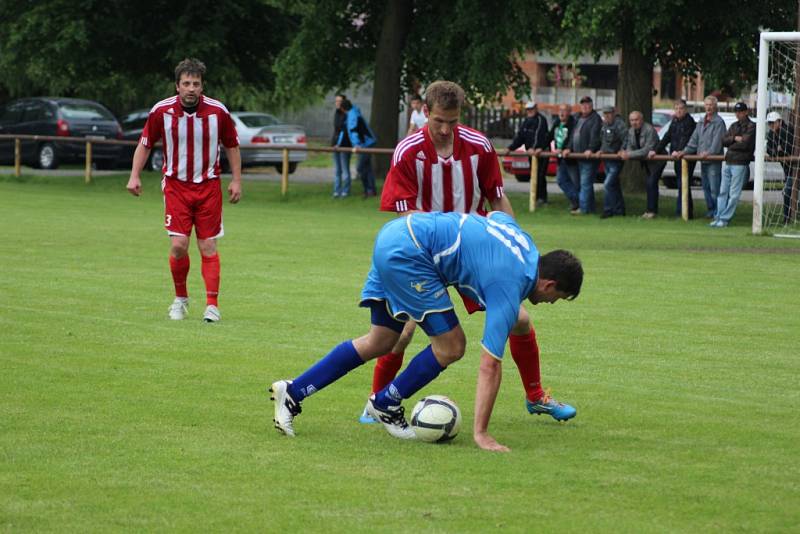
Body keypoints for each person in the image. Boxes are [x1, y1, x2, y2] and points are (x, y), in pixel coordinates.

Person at [270, 211, 583, 452]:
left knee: (380, 340)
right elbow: (490, 365)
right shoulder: (508, 284)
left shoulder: (525, 244)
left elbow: (496, 217)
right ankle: (386, 404)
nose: (552, 303)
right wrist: (481, 433)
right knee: (452, 346)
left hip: (396, 233)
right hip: (410, 255)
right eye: (558, 297)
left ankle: (293, 392)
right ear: (549, 284)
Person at [366, 80, 576, 426]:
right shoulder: (407, 152)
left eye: (453, 121)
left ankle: (536, 397)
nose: (446, 129)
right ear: (425, 114)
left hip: (472, 258)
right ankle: (376, 403)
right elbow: (405, 218)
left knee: (520, 320)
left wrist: (513, 244)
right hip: (425, 258)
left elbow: (497, 198)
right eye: (438, 122)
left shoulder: (479, 147)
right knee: (402, 331)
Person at [126, 58, 242, 323]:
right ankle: (181, 298)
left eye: (196, 84)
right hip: (176, 186)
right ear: (177, 86)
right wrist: (134, 175)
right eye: (186, 83)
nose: (191, 88)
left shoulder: (217, 112)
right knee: (179, 245)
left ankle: (212, 305)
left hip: (209, 187)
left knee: (208, 245)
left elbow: (232, 146)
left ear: (202, 87)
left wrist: (236, 180)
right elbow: (145, 144)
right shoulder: (161, 111)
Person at [712, 102, 755, 227]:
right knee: (722, 192)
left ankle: (724, 219)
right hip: (728, 161)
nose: (738, 114)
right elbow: (723, 140)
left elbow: (745, 144)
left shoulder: (752, 126)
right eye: (736, 111)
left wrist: (731, 142)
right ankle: (719, 217)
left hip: (740, 163)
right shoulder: (734, 125)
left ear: (746, 112)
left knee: (734, 194)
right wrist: (734, 138)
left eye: (740, 111)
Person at [653, 99, 697, 218]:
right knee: (682, 184)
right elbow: (667, 137)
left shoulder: (689, 122)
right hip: (677, 158)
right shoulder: (674, 122)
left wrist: (680, 151)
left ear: (685, 109)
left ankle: (681, 213)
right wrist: (655, 150)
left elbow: (687, 139)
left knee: (683, 184)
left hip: (686, 157)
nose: (678, 111)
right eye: (676, 108)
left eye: (681, 108)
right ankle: (687, 211)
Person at [684, 95, 726, 218]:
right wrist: (684, 151)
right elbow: (694, 140)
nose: (708, 107)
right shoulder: (701, 122)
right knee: (706, 187)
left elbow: (718, 142)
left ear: (715, 106)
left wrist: (709, 153)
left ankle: (718, 212)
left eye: (711, 105)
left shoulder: (719, 123)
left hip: (713, 160)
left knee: (714, 188)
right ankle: (711, 210)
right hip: (702, 160)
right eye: (707, 105)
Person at [507, 101, 550, 205]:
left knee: (540, 175)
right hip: (532, 153)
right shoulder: (526, 121)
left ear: (536, 109)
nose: (529, 111)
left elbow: (539, 135)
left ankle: (542, 198)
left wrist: (534, 148)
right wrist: (511, 148)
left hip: (542, 152)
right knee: (534, 175)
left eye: (531, 109)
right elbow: (520, 136)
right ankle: (536, 197)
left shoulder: (541, 120)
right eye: (528, 110)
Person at [619, 111, 659, 219]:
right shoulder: (631, 131)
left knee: (651, 183)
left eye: (636, 120)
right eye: (631, 120)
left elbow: (647, 149)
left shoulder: (649, 130)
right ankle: (651, 210)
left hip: (657, 159)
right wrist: (627, 152)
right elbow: (629, 146)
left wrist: (629, 154)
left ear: (642, 120)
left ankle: (651, 211)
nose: (634, 122)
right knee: (649, 183)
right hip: (646, 161)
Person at [567, 96, 602, 214]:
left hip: (588, 157)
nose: (585, 106)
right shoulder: (577, 117)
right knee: (580, 183)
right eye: (583, 104)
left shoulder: (595, 119)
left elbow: (595, 136)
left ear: (591, 105)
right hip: (576, 156)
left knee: (585, 183)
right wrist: (568, 148)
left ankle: (584, 209)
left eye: (587, 104)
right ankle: (589, 208)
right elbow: (573, 135)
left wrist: (591, 149)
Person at [766, 111, 798, 224]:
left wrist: (778, 151)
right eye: (769, 123)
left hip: (795, 167)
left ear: (779, 122)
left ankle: (787, 218)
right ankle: (788, 217)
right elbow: (769, 150)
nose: (771, 125)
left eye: (773, 123)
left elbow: (786, 149)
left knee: (788, 191)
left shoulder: (787, 131)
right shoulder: (771, 133)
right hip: (788, 168)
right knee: (788, 191)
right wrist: (777, 151)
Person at [597, 106, 627, 218]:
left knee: (608, 184)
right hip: (606, 159)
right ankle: (619, 210)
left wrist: (622, 149)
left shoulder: (620, 125)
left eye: (609, 113)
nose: (607, 116)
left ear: (614, 113)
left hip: (615, 159)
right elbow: (603, 140)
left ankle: (608, 210)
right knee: (614, 185)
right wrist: (601, 150)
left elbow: (626, 139)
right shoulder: (604, 125)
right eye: (605, 114)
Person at [343, 100, 377, 198]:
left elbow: (353, 130)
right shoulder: (355, 112)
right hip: (368, 142)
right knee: (367, 167)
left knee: (360, 167)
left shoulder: (352, 115)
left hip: (365, 144)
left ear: (343, 109)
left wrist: (356, 145)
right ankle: (371, 190)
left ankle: (368, 189)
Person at [550, 104, 579, 213]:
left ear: (569, 112)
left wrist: (567, 148)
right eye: (560, 110)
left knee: (575, 182)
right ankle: (576, 201)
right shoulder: (557, 123)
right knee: (561, 180)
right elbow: (549, 136)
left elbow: (573, 138)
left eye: (565, 111)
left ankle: (579, 204)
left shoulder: (573, 123)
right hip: (560, 157)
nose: (562, 113)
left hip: (571, 158)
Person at [332, 94, 352, 198]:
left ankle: (345, 191)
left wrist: (339, 143)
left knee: (345, 169)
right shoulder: (336, 113)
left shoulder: (348, 115)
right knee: (337, 170)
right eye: (336, 101)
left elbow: (344, 131)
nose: (337, 103)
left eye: (339, 101)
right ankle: (336, 191)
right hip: (335, 145)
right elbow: (336, 129)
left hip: (344, 145)